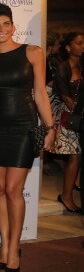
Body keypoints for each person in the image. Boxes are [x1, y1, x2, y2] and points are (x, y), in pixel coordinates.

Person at [0, 3, 55, 272]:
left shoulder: (32, 52)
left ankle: (14, 246)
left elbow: (40, 93)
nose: (1, 29)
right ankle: (4, 245)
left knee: (14, 189)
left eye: (5, 24)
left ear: (13, 26)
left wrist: (50, 126)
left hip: (23, 126)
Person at [52, 32, 84, 214]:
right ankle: (66, 196)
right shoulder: (63, 67)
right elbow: (65, 96)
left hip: (79, 116)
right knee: (74, 156)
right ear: (68, 47)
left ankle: (68, 193)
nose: (82, 46)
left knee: (77, 157)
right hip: (69, 117)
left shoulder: (82, 65)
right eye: (78, 43)